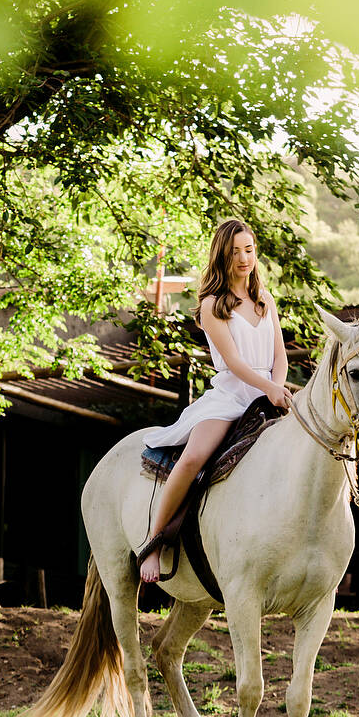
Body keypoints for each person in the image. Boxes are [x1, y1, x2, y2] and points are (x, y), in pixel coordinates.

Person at [138, 217, 292, 584]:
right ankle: (153, 542)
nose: (244, 259)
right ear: (222, 256)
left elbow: (280, 356)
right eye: (235, 252)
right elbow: (235, 362)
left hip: (268, 395)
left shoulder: (264, 298)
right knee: (193, 457)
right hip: (231, 396)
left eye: (249, 250)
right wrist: (267, 387)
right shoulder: (212, 305)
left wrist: (276, 388)